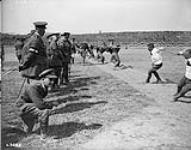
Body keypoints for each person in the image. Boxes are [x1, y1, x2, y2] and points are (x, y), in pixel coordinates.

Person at [15, 69, 58, 139]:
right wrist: (51, 105)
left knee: (27, 132)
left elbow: (39, 101)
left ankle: (26, 126)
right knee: (44, 111)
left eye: (54, 80)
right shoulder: (33, 86)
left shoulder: (44, 86)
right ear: (43, 79)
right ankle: (44, 135)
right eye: (50, 79)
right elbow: (40, 105)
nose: (52, 82)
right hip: (21, 107)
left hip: (28, 106)